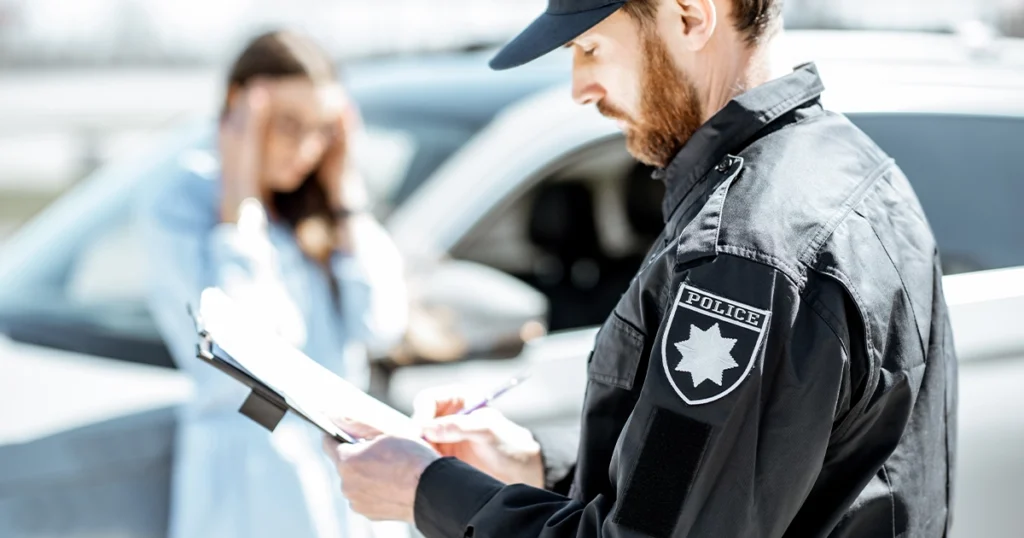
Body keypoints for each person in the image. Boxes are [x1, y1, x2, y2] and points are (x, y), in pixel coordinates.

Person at [323, 0, 959, 537]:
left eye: (592, 48)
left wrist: (427, 490)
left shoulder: (745, 254)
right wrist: (536, 469)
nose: (579, 87)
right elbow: (725, 488)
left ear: (689, 16)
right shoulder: (855, 168)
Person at [138, 30, 408, 538]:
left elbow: (381, 325)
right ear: (241, 108)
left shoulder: (314, 204)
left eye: (321, 128)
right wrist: (239, 200)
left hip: (344, 485)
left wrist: (345, 191)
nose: (307, 148)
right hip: (251, 488)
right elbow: (242, 351)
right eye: (288, 125)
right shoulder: (179, 201)